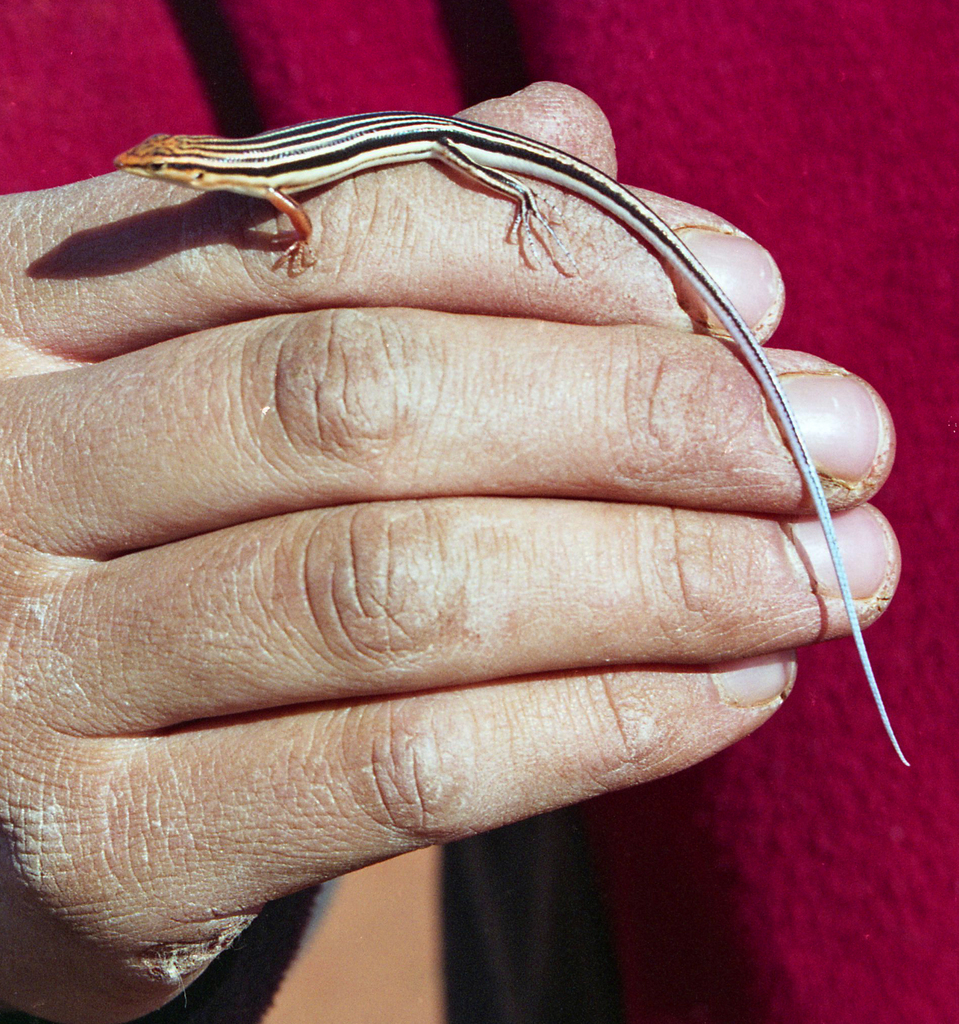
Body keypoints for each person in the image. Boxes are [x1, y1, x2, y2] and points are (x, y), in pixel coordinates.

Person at [0, 2, 952, 1022]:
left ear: (197, 174)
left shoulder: (264, 184)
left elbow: (301, 210)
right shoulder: (223, 137)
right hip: (582, 951)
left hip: (443, 140)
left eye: (171, 170)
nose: (166, 176)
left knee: (507, 180)